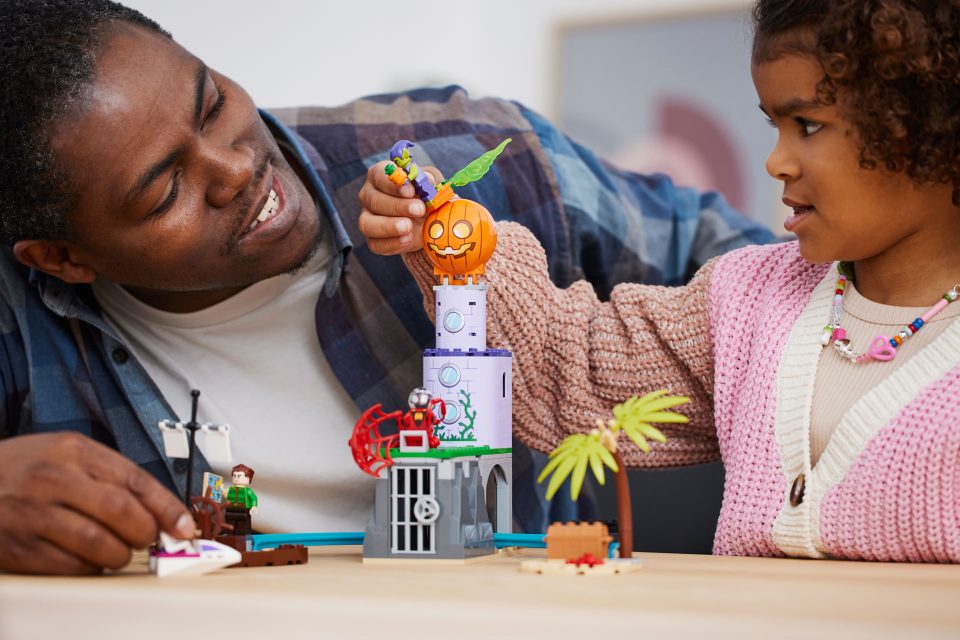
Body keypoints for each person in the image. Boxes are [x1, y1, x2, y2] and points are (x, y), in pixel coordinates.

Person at [0, 0, 773, 575]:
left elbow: (770, 279)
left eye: (212, 105)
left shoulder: (481, 159)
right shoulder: (17, 308)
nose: (235, 167)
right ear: (62, 259)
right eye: (165, 191)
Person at [361, 0, 960, 562]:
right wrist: (454, 239)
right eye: (775, 126)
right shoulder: (750, 301)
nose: (776, 161)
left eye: (807, 125)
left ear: (926, 126)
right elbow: (565, 361)